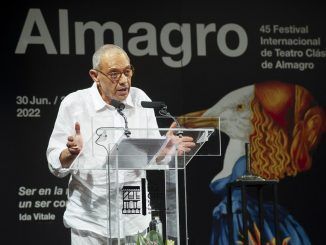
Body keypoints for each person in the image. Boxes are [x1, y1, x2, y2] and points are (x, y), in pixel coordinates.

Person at [46, 44, 195, 245]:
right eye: (114, 74)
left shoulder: (141, 100)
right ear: (94, 75)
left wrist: (164, 149)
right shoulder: (75, 104)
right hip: (90, 221)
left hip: (133, 220)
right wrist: (71, 153)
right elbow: (55, 163)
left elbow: (152, 157)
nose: (124, 80)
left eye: (127, 71)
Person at [178, 81, 325, 244]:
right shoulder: (241, 155)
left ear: (261, 121)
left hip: (243, 222)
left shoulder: (242, 169)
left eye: (240, 108)